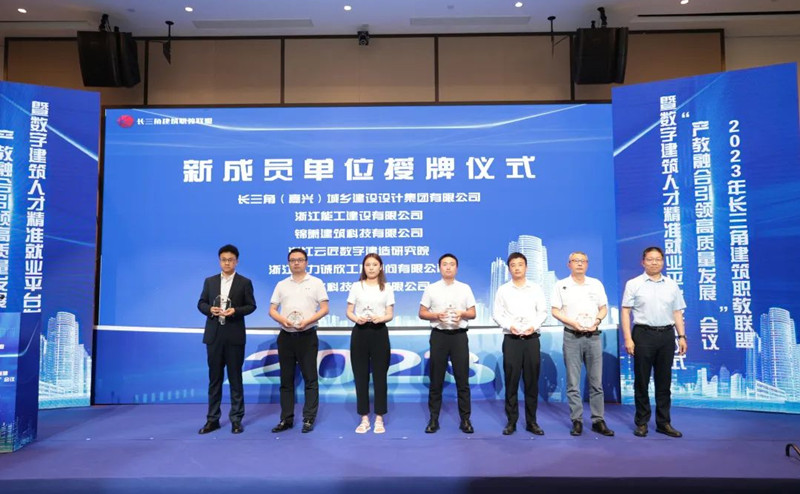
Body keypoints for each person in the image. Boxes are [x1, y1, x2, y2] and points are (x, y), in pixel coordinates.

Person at [621, 246, 688, 438]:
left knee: (664, 381)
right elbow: (625, 311)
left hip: (666, 335)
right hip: (643, 334)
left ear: (663, 262)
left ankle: (663, 423)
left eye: (658, 259)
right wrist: (628, 338)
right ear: (643, 262)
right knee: (641, 381)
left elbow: (677, 312)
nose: (654, 262)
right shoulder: (634, 284)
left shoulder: (672, 285)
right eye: (650, 259)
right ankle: (642, 422)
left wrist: (681, 336)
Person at [551, 251, 614, 437]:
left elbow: (603, 308)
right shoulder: (561, 285)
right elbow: (555, 310)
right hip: (572, 336)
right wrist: (572, 322)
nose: (579, 264)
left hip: (593, 336)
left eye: (583, 261)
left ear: (587, 264)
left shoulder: (596, 284)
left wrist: (597, 320)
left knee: (596, 382)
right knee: (573, 382)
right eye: (575, 261)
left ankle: (598, 420)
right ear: (569, 264)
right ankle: (576, 420)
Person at [197, 244, 256, 435]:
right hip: (214, 336)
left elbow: (251, 306)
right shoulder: (210, 281)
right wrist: (210, 309)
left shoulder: (244, 282)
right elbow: (201, 303)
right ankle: (212, 419)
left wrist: (235, 311)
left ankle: (236, 420)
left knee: (235, 379)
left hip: (234, 336)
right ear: (219, 261)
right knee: (214, 380)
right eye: (224, 260)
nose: (227, 263)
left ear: (236, 261)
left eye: (230, 260)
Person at [268, 248, 329, 433]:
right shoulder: (281, 284)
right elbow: (272, 310)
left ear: (306, 262)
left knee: (310, 379)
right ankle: (286, 419)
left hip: (307, 335)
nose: (296, 263)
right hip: (286, 336)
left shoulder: (316, 282)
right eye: (292, 260)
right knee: (286, 380)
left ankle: (308, 418)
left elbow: (324, 308)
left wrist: (308, 321)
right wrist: (283, 320)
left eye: (300, 260)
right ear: (288, 263)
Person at [418, 253, 477, 434]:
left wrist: (462, 313)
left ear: (456, 268)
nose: (448, 267)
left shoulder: (465, 288)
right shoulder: (431, 289)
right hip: (439, 336)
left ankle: (465, 420)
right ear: (439, 268)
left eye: (452, 264)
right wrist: (436, 315)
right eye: (445, 264)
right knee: (436, 380)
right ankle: (433, 419)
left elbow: (473, 313)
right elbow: (422, 312)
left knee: (462, 380)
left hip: (459, 336)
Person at [492, 252, 548, 435]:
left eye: (520, 264)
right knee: (511, 382)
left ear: (526, 267)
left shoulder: (536, 288)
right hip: (512, 339)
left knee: (531, 382)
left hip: (531, 339)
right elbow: (497, 314)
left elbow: (543, 312)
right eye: (513, 265)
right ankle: (511, 421)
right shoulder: (503, 290)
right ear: (509, 269)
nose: (517, 268)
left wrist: (533, 326)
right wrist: (510, 326)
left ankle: (532, 422)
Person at [346, 253, 395, 434]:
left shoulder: (387, 288)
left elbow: (390, 314)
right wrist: (356, 319)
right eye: (368, 265)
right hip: (360, 333)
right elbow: (349, 311)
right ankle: (364, 418)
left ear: (380, 267)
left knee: (380, 377)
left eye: (375, 264)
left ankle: (379, 417)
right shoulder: (356, 286)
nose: (371, 268)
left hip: (379, 332)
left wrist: (380, 318)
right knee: (361, 377)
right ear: (363, 267)